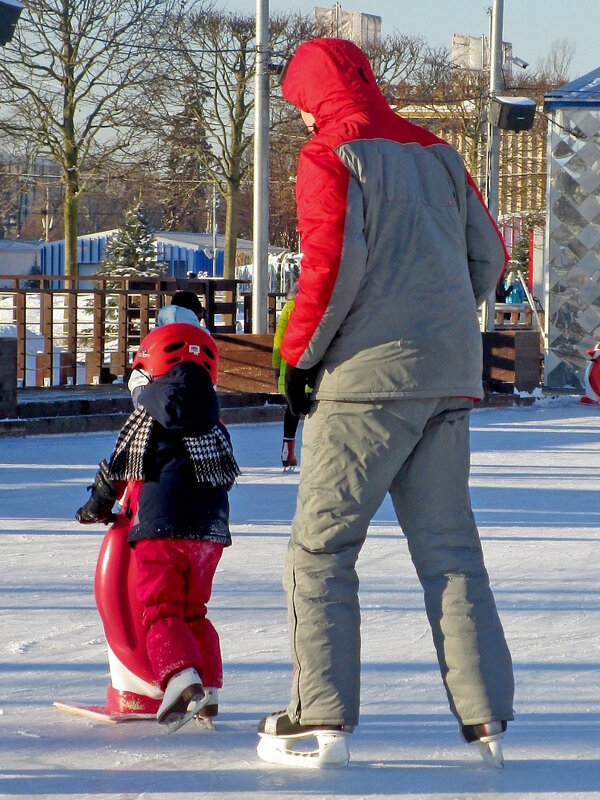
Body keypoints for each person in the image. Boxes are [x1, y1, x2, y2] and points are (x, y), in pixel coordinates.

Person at [256, 38, 514, 769]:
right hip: (448, 376)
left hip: (365, 386)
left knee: (322, 549)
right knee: (452, 553)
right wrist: (438, 320)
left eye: (301, 107)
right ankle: (487, 717)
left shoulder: (330, 155)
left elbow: (332, 267)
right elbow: (489, 255)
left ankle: (321, 717)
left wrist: (299, 360)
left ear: (312, 99)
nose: (302, 121)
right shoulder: (437, 154)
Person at [75, 323, 239, 733]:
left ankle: (179, 681)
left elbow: (114, 474)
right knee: (193, 612)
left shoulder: (144, 420)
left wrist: (94, 508)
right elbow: (225, 474)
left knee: (161, 609)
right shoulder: (216, 424)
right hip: (209, 535)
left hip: (161, 531)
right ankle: (210, 688)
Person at [272, 283, 300, 470]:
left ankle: (286, 450)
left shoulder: (289, 307)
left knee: (292, 409)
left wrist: (276, 367)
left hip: (290, 366)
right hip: (312, 367)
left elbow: (278, 339)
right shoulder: (319, 305)